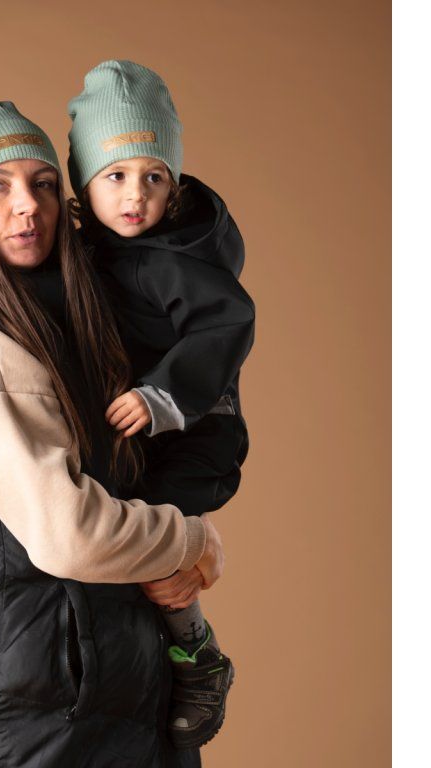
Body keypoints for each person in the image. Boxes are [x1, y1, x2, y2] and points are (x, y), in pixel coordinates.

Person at [0, 93, 225, 767]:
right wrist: (188, 541)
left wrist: (168, 572)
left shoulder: (54, 323)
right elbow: (69, 534)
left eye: (43, 184)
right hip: (33, 717)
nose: (28, 206)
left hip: (97, 694)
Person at [67, 60, 256, 748]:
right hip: (147, 431)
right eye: (115, 175)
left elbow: (224, 326)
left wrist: (160, 396)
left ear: (174, 186)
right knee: (127, 540)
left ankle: (198, 655)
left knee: (153, 545)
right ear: (82, 182)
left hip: (196, 431)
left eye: (154, 177)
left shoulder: (173, 258)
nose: (135, 195)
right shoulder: (93, 249)